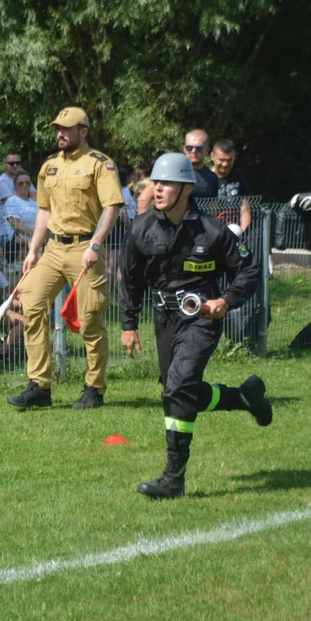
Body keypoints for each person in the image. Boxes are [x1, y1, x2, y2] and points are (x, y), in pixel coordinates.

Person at [119, 152, 270, 499]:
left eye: (166, 183)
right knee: (178, 392)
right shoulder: (139, 228)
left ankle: (173, 478)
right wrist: (129, 324)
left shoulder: (213, 231)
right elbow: (129, 280)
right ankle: (243, 397)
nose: (157, 189)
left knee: (178, 388)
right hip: (163, 320)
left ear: (185, 188)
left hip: (200, 319)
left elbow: (248, 269)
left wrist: (226, 301)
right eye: (155, 182)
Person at [9, 106, 123, 410]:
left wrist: (96, 245)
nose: (60, 133)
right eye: (57, 128)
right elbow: (44, 211)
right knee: (31, 304)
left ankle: (94, 388)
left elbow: (112, 206)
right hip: (53, 250)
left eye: (67, 128)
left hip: (85, 249)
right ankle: (39, 386)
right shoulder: (48, 167)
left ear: (82, 132)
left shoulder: (100, 164)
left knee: (89, 319)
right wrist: (34, 249)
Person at [136, 129, 219, 213]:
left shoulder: (212, 177)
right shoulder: (171, 170)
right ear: (184, 149)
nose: (193, 151)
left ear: (207, 150)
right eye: (189, 148)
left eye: (199, 148)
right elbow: (143, 198)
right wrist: (145, 224)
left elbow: (213, 208)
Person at [210, 138, 252, 233]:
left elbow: (245, 209)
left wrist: (244, 234)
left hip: (236, 231)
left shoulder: (239, 179)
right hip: (213, 231)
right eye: (221, 160)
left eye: (229, 160)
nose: (225, 164)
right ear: (212, 156)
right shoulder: (206, 180)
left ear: (234, 158)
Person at [3, 168, 39, 261]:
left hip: (35, 241)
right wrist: (34, 234)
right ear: (15, 185)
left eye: (27, 183)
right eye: (21, 183)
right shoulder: (12, 201)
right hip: (18, 244)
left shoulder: (34, 203)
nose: (24, 185)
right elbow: (14, 223)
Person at [0, 151, 24, 250]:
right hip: (8, 231)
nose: (15, 166)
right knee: (9, 263)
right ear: (5, 164)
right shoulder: (1, 182)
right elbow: (12, 202)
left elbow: (37, 196)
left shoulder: (23, 179)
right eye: (11, 163)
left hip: (25, 230)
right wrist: (28, 199)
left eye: (18, 163)